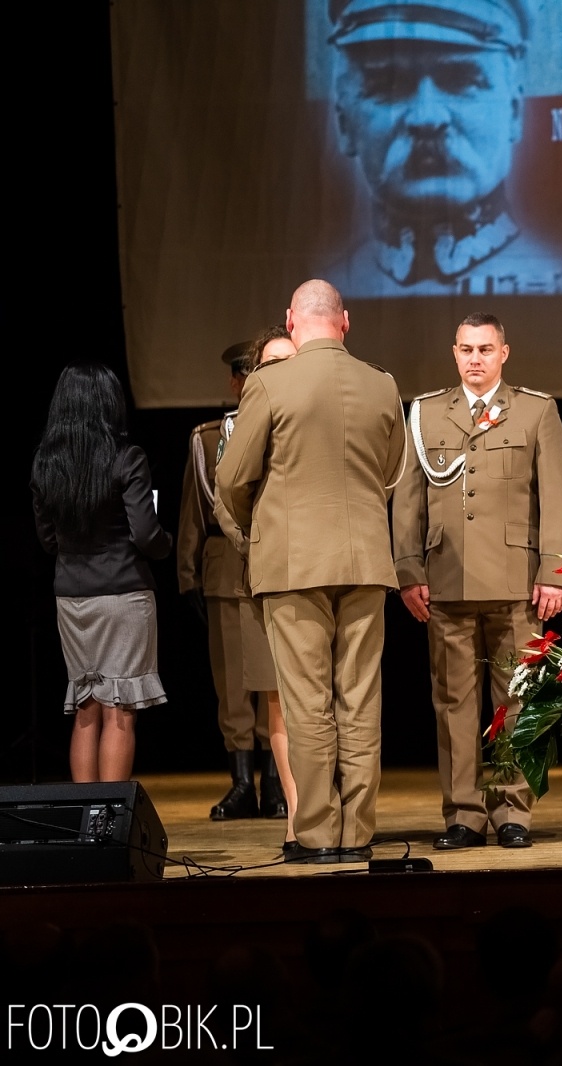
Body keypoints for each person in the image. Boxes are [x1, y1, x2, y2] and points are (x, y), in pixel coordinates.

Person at [216, 280, 407, 864]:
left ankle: (320, 835)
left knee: (306, 703)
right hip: (366, 560)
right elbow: (393, 469)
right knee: (360, 700)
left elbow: (231, 478)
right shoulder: (382, 384)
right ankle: (358, 832)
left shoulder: (270, 383)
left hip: (294, 563)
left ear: (291, 321)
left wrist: (262, 529)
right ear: (344, 321)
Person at [392, 311, 562, 851]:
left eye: (485, 349)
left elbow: (558, 498)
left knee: (516, 702)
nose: (475, 358)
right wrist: (407, 568)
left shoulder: (536, 411)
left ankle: (513, 809)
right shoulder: (425, 413)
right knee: (453, 704)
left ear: (504, 353)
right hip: (445, 581)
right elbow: (407, 501)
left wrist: (554, 572)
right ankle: (463, 815)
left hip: (517, 582)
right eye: (467, 349)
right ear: (455, 353)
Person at [323, 0, 562, 297]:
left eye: (461, 80)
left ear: (513, 112)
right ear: (345, 123)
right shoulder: (330, 286)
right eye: (389, 85)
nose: (427, 118)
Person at [31, 363, 172, 781]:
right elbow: (146, 534)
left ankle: (86, 824)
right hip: (124, 596)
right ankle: (109, 826)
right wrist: (166, 544)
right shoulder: (126, 458)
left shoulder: (45, 463)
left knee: (85, 709)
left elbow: (47, 540)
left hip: (72, 600)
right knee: (120, 710)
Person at [177, 341, 278, 819]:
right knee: (232, 684)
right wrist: (187, 574)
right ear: (236, 382)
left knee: (275, 681)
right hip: (224, 565)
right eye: (245, 376)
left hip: (277, 559)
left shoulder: (283, 425)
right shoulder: (208, 436)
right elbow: (194, 514)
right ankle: (242, 784)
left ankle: (277, 783)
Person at [216, 327, 304, 852]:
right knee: (278, 704)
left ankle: (326, 807)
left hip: (318, 569)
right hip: (263, 573)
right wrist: (261, 541)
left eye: (288, 361)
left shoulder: (315, 413)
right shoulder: (236, 426)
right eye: (269, 363)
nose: (279, 371)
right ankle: (296, 812)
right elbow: (227, 500)